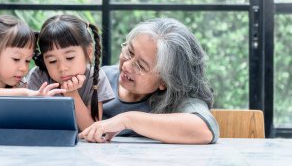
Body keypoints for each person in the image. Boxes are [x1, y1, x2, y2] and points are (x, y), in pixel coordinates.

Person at [79, 18, 219, 144]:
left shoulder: (179, 98)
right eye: (130, 52)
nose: (127, 66)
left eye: (140, 66)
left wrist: (127, 120)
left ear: (165, 81)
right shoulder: (99, 78)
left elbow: (205, 130)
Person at [28, 14, 115, 131]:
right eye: (52, 61)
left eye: (69, 58)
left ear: (89, 52)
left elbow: (91, 129)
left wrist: (71, 93)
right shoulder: (38, 76)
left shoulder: (95, 78)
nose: (62, 68)